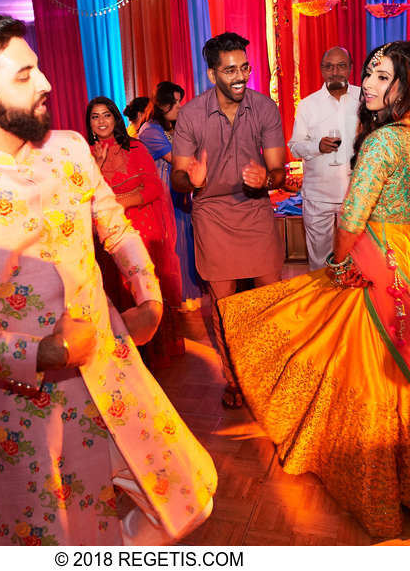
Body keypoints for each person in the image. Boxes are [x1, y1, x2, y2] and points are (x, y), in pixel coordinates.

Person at [0, 12, 216, 545]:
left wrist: (149, 298)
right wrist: (41, 354)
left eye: (39, 69)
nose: (47, 83)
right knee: (58, 536)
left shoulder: (70, 148)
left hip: (113, 367)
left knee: (188, 499)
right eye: (25, 76)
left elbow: (115, 229)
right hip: (30, 398)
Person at [219, 41, 410, 538]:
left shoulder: (380, 141)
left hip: (377, 258)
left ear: (405, 85)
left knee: (370, 368)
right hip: (407, 253)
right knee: (396, 367)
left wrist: (337, 263)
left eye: (383, 77)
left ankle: (380, 481)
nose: (371, 86)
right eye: (370, 75)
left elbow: (353, 214)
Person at [170, 31, 286, 409]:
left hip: (254, 211)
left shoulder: (265, 108)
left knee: (269, 297)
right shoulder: (190, 115)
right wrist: (192, 181)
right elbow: (177, 177)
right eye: (230, 70)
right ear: (212, 74)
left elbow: (279, 172)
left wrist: (266, 179)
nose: (240, 76)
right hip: (212, 214)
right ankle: (235, 377)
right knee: (225, 305)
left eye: (245, 68)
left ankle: (271, 370)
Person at [87, 95, 184, 369]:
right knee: (114, 290)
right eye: (95, 116)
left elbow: (153, 188)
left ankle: (148, 354)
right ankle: (121, 356)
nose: (102, 121)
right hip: (106, 233)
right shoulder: (85, 156)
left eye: (107, 114)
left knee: (141, 290)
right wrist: (95, 166)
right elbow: (82, 196)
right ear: (90, 123)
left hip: (140, 228)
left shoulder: (135, 147)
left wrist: (116, 202)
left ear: (116, 118)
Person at [288, 46, 362, 270]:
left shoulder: (365, 98)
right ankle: (324, 303)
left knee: (356, 259)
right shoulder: (308, 105)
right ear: (321, 70)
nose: (335, 72)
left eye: (341, 66)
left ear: (350, 68)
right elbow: (294, 147)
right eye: (329, 67)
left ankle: (349, 304)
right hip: (318, 195)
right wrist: (316, 147)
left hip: (356, 194)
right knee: (320, 260)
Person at [137, 82, 203, 308]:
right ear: (161, 105)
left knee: (185, 241)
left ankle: (188, 295)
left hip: (179, 194)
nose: (179, 106)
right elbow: (179, 159)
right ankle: (175, 298)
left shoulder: (172, 127)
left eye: (180, 101)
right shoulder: (151, 130)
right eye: (174, 102)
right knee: (174, 246)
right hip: (164, 197)